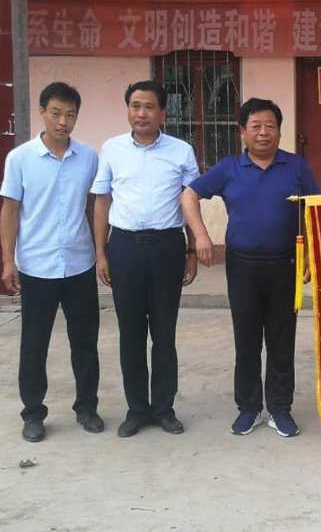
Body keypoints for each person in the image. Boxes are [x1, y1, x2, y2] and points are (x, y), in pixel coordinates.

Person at [182, 98, 319, 438]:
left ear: (280, 131)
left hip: (285, 264)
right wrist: (201, 236)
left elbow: (315, 208)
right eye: (255, 126)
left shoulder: (295, 166)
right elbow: (189, 195)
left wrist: (310, 254)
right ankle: (249, 407)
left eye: (270, 126)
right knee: (246, 338)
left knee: (282, 338)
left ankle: (280, 408)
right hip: (242, 266)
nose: (263, 133)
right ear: (242, 132)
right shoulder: (229, 167)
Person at [92, 80, 199, 438]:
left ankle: (164, 409)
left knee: (164, 333)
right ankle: (137, 409)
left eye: (149, 106)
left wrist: (191, 251)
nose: (141, 113)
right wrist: (101, 252)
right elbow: (102, 201)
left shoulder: (181, 151)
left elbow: (189, 203)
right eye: (135, 106)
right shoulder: (112, 149)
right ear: (128, 110)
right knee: (131, 334)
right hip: (124, 247)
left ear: (162, 113)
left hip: (167, 247)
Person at [0, 83, 102, 443]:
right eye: (56, 113)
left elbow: (95, 206)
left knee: (85, 342)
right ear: (42, 112)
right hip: (36, 266)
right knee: (34, 344)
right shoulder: (21, 159)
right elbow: (10, 210)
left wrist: (101, 251)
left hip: (79, 264)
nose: (63, 121)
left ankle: (87, 408)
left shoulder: (88, 157)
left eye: (71, 115)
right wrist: (8, 260)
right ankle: (33, 413)